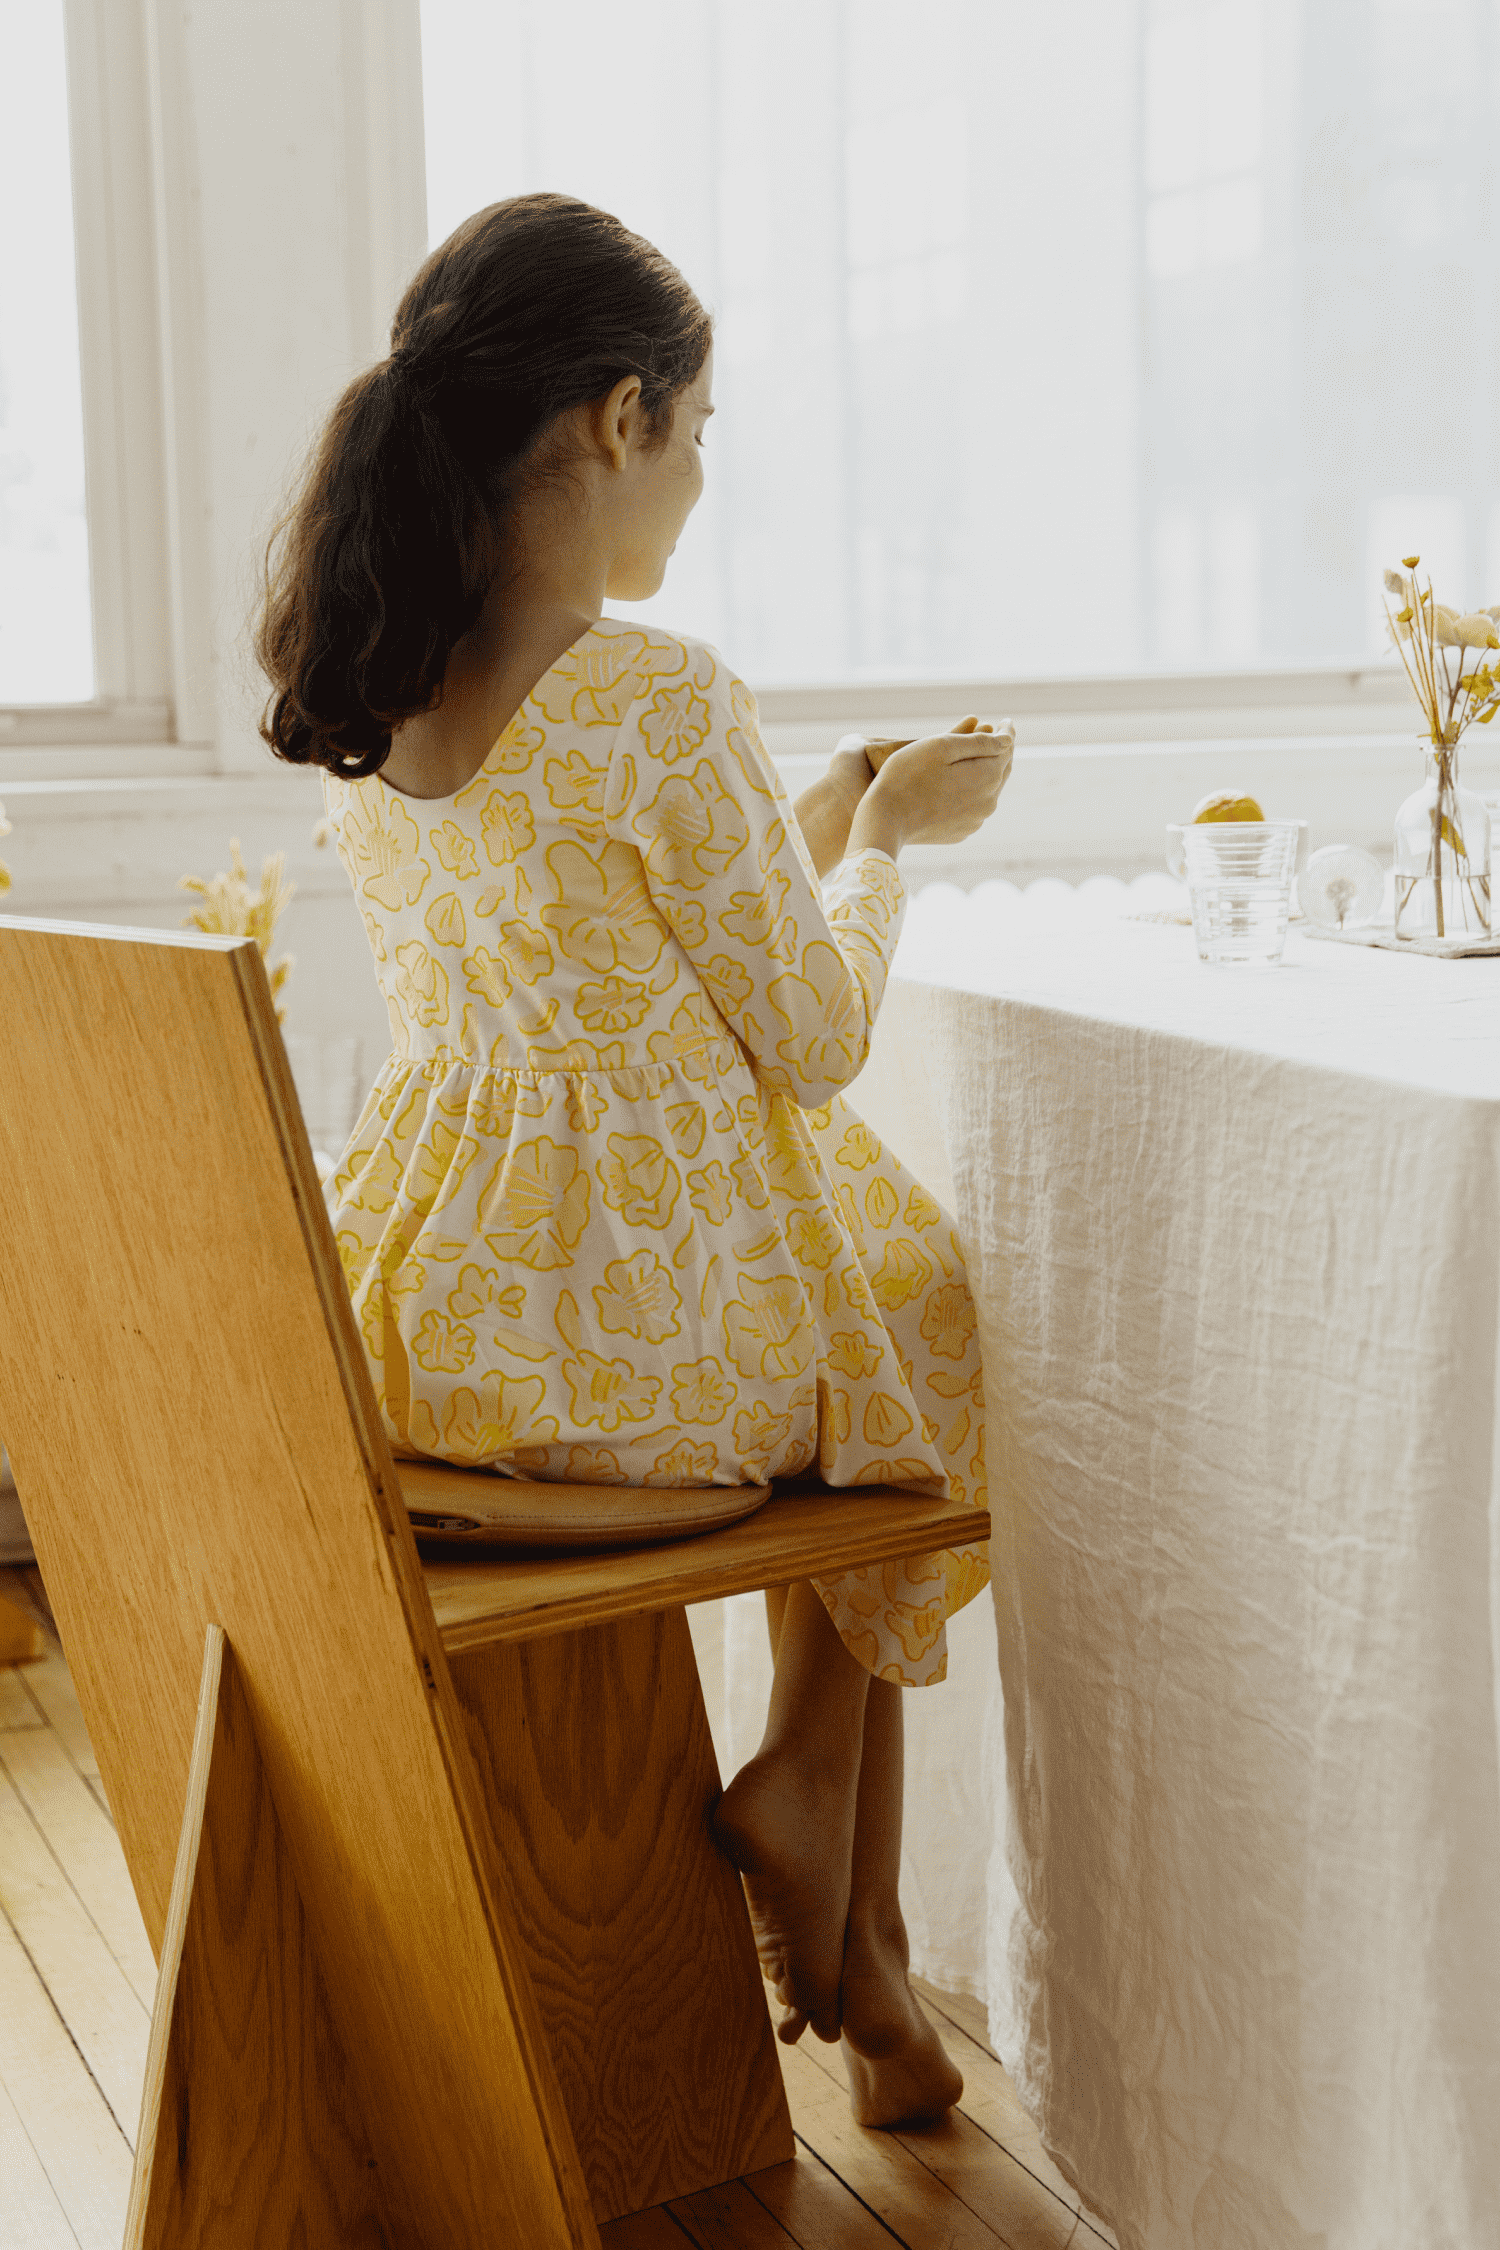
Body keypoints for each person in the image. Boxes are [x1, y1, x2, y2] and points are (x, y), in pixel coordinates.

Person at [256, 192, 1012, 2128]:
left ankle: (868, 1949)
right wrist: (888, 844)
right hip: (631, 1364)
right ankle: (817, 1804)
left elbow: (617, 946)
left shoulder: (388, 694)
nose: (695, 478)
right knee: (905, 1298)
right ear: (615, 421)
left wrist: (816, 813)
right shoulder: (661, 695)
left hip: (434, 1323)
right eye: (695, 431)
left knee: (871, 1273)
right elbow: (813, 1038)